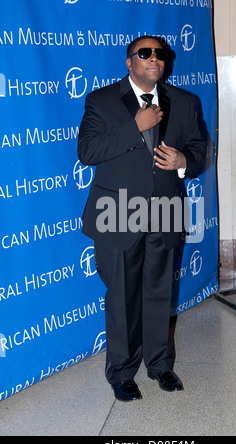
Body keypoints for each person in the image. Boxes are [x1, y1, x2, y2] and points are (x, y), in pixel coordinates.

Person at [77, 36, 206, 402]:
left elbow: (198, 149)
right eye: (145, 53)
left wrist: (184, 162)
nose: (154, 59)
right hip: (116, 214)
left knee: (158, 293)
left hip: (164, 212)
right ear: (129, 62)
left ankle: (161, 366)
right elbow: (87, 151)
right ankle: (121, 373)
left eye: (160, 54)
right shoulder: (101, 101)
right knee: (121, 297)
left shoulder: (184, 102)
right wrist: (135, 126)